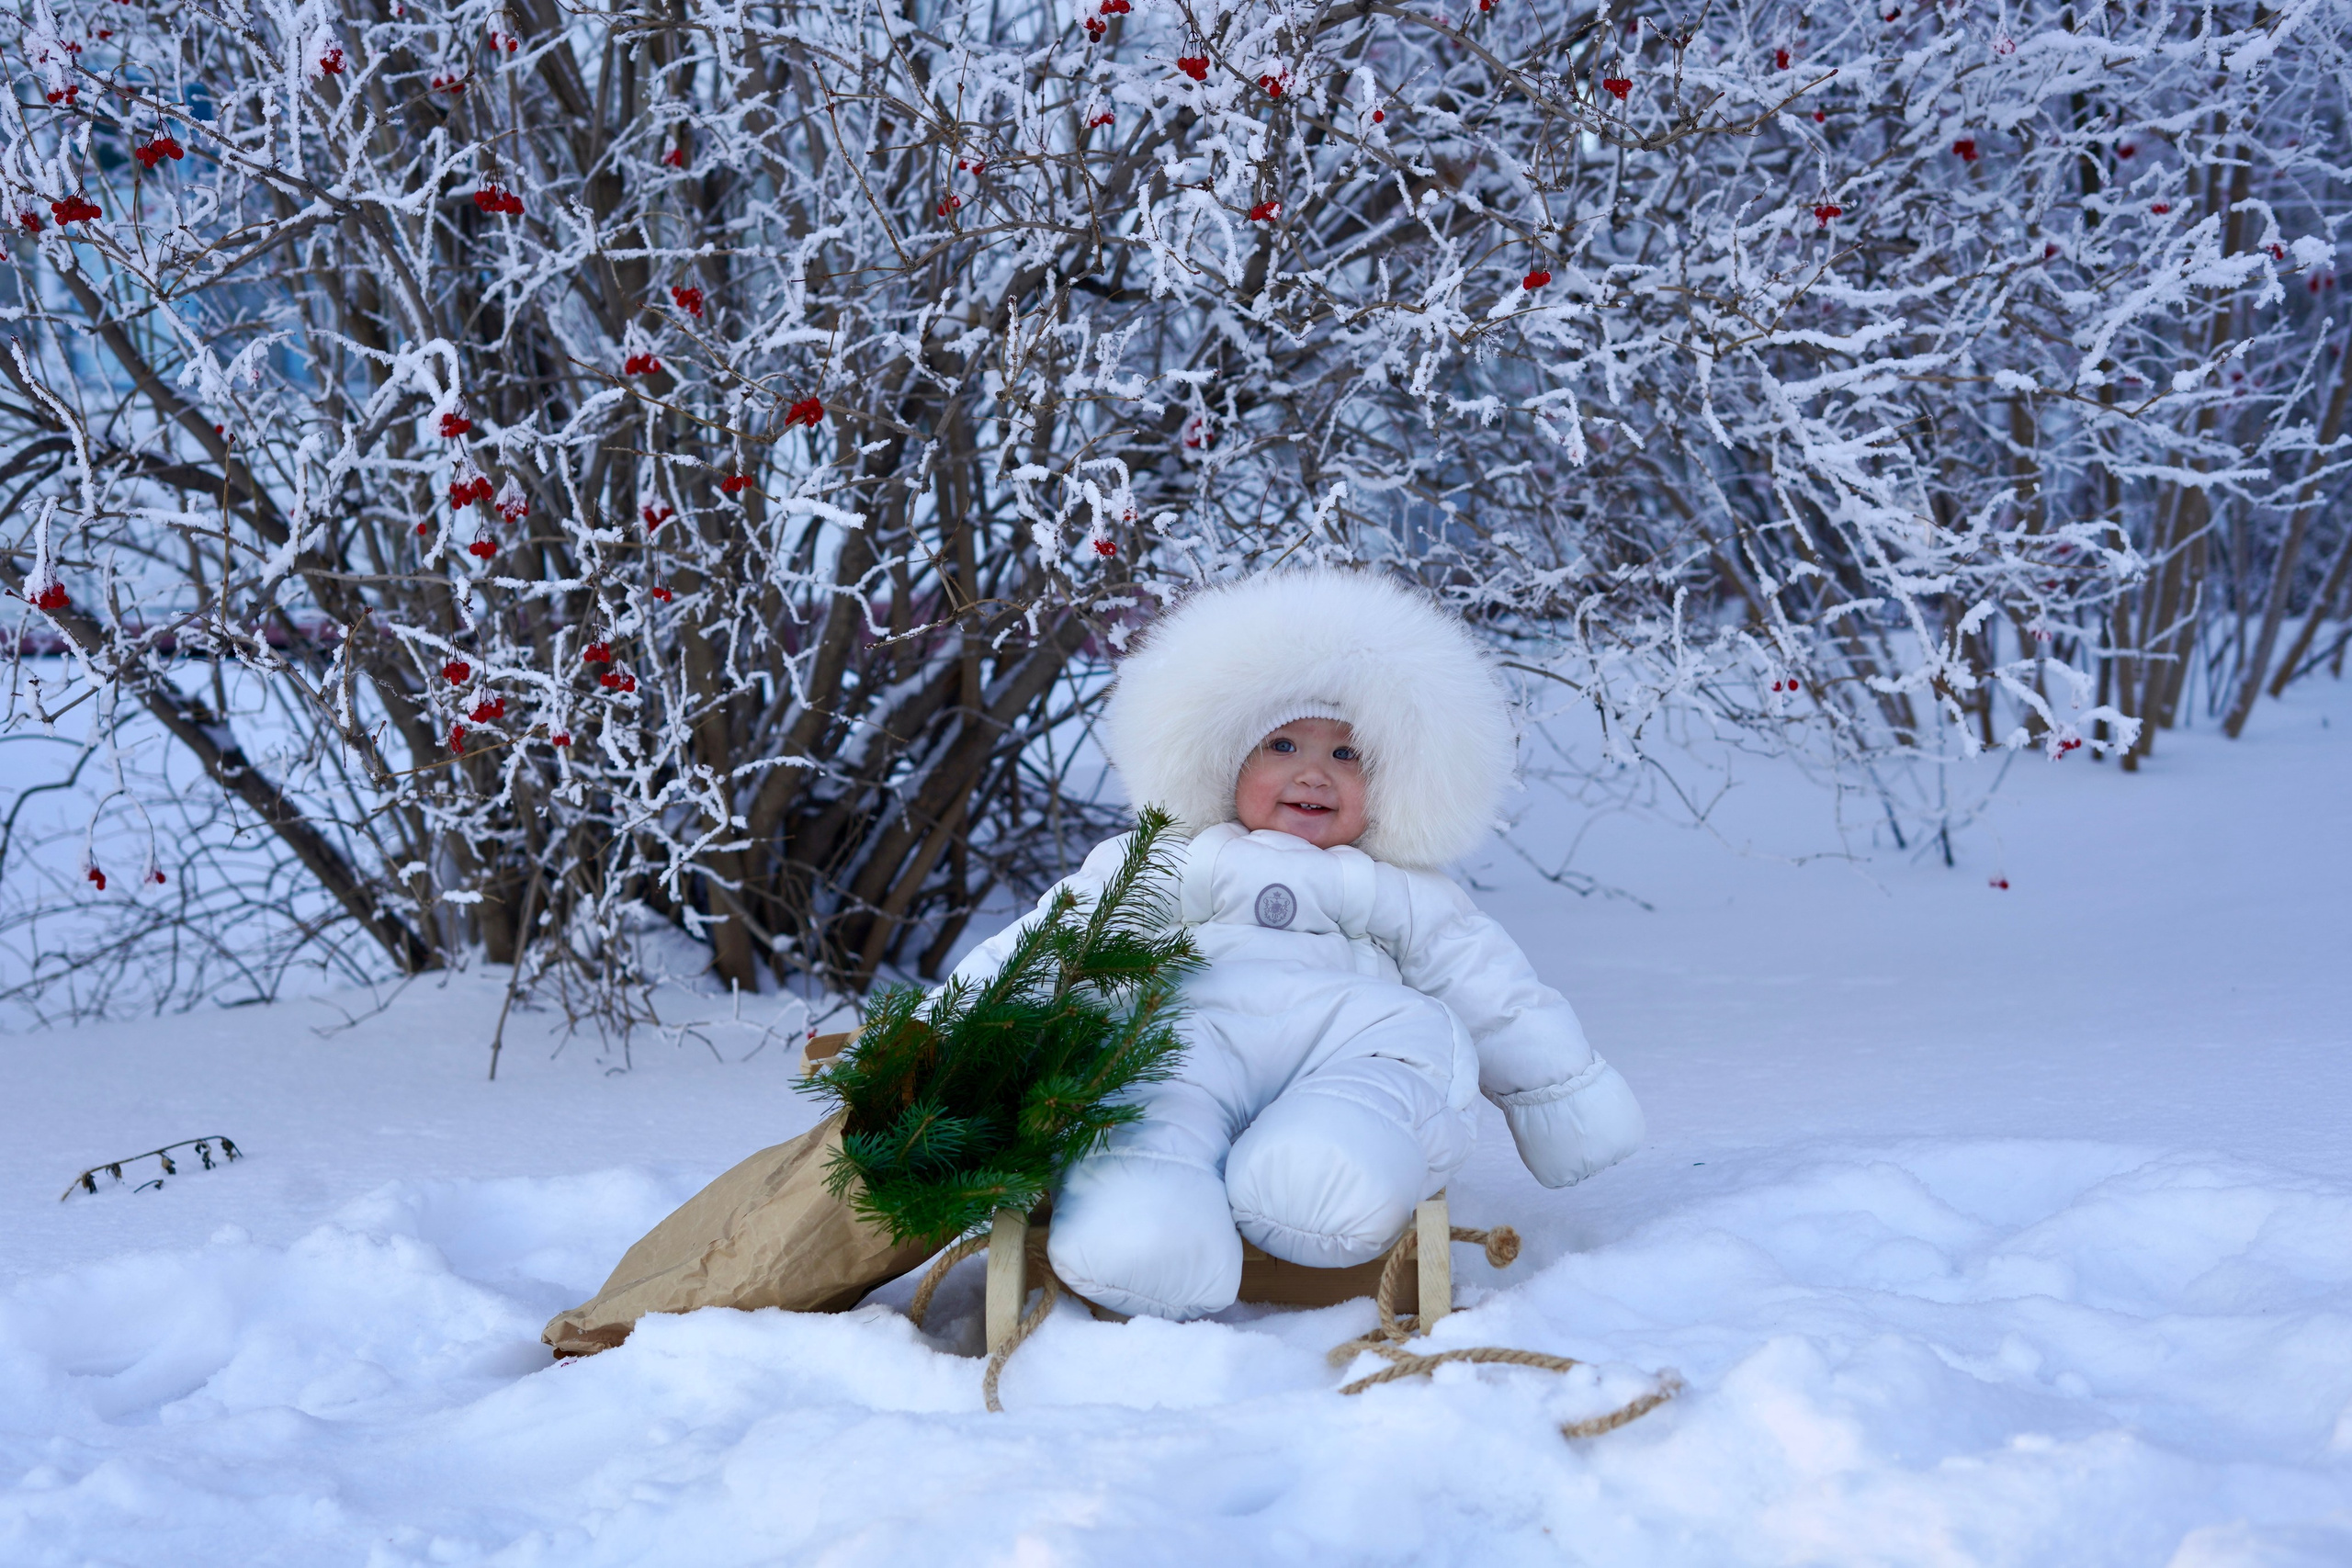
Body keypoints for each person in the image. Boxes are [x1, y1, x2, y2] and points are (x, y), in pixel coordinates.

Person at [945, 569, 1644, 1320]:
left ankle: (1332, 1159)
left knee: (1389, 1082)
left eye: (1349, 755)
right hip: (1180, 1051)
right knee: (1137, 1103)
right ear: (1225, 759)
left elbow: (1495, 992)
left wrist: (1563, 1097)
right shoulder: (1163, 860)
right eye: (1282, 743)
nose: (1315, 773)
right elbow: (1053, 940)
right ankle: (1145, 1220)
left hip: (1349, 1048)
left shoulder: (1403, 890)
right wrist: (941, 1044)